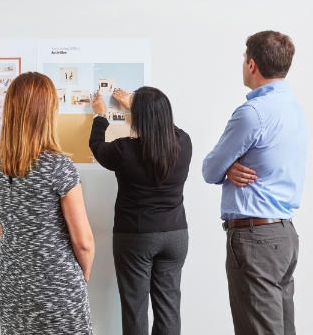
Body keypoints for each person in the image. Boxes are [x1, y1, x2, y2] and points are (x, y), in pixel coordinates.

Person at [202, 31, 307, 335]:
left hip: (255, 238)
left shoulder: (253, 114)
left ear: (251, 65)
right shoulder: (294, 109)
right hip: (284, 234)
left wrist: (225, 168)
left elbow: (210, 169)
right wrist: (231, 168)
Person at [0, 72, 95, 334]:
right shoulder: (57, 166)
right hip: (57, 288)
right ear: (47, 112)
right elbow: (83, 242)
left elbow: (1, 229)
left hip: (13, 289)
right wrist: (83, 274)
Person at [90, 87, 192, 335]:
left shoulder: (124, 150)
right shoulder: (184, 143)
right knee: (169, 309)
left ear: (140, 116)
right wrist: (141, 109)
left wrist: (100, 116)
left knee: (135, 309)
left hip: (136, 237)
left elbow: (96, 146)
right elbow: (164, 128)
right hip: (176, 235)